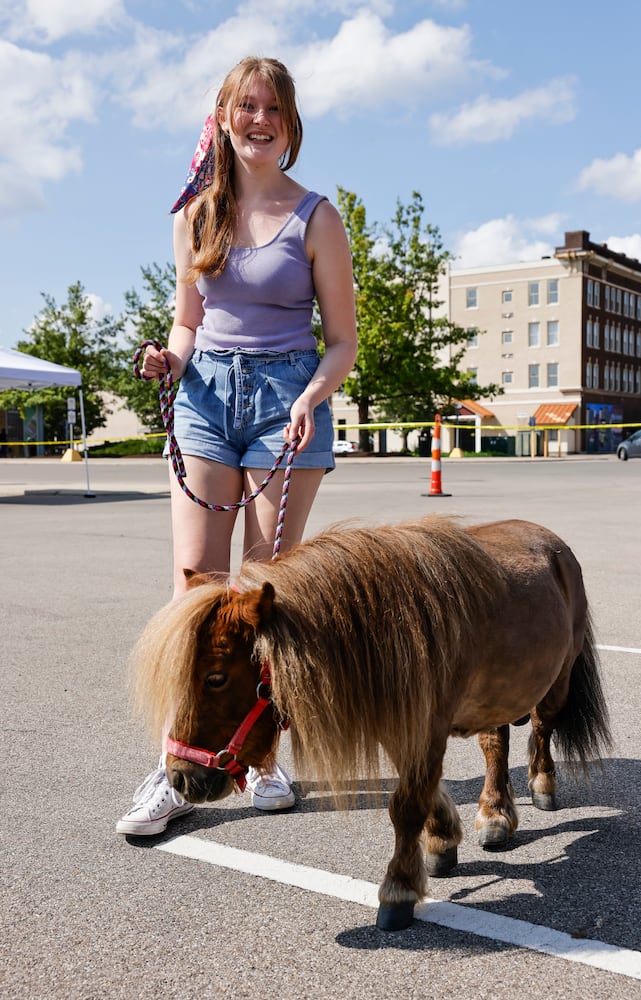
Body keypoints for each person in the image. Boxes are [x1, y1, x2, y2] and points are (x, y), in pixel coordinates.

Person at [116, 56, 357, 836]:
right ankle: (171, 766)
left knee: (262, 600)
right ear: (223, 116)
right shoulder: (195, 214)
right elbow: (187, 324)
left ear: (289, 124)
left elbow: (341, 343)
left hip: (287, 401)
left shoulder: (316, 216)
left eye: (273, 109)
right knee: (194, 595)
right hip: (207, 396)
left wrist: (311, 399)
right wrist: (170, 361)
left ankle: (263, 762)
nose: (259, 119)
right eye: (246, 106)